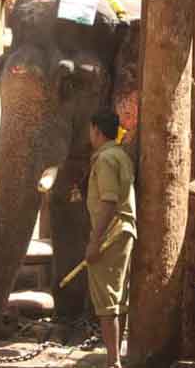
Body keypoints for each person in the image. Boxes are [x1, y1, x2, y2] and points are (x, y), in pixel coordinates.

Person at [86, 109, 137, 368]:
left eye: (90, 130)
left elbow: (108, 201)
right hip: (124, 231)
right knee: (119, 299)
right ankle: (115, 357)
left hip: (110, 234)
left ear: (96, 130)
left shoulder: (105, 159)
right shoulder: (121, 155)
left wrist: (95, 241)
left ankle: (113, 361)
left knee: (107, 301)